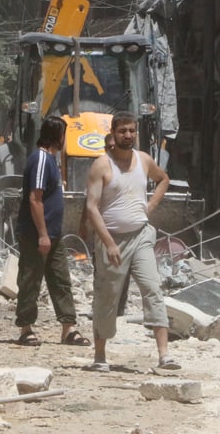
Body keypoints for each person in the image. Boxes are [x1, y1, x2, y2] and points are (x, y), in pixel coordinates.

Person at [85, 111, 180, 372]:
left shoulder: (144, 160)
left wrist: (149, 206)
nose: (128, 135)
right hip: (112, 241)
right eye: (122, 131)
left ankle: (164, 355)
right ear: (113, 133)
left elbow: (163, 180)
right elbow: (92, 208)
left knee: (152, 288)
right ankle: (100, 356)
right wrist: (109, 243)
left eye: (132, 130)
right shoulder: (102, 166)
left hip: (140, 236)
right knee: (108, 296)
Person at [14, 115, 91, 347]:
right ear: (57, 136)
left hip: (53, 235)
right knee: (30, 279)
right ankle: (26, 328)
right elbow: (35, 199)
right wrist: (43, 234)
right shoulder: (40, 159)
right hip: (37, 235)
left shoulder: (52, 161)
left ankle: (68, 328)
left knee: (60, 280)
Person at [78, 133, 130, 317]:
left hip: (122, 230)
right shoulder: (100, 168)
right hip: (101, 230)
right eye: (107, 147)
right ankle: (100, 306)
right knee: (100, 269)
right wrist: (83, 223)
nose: (110, 150)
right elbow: (89, 200)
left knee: (123, 269)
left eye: (113, 146)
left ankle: (119, 309)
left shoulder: (128, 169)